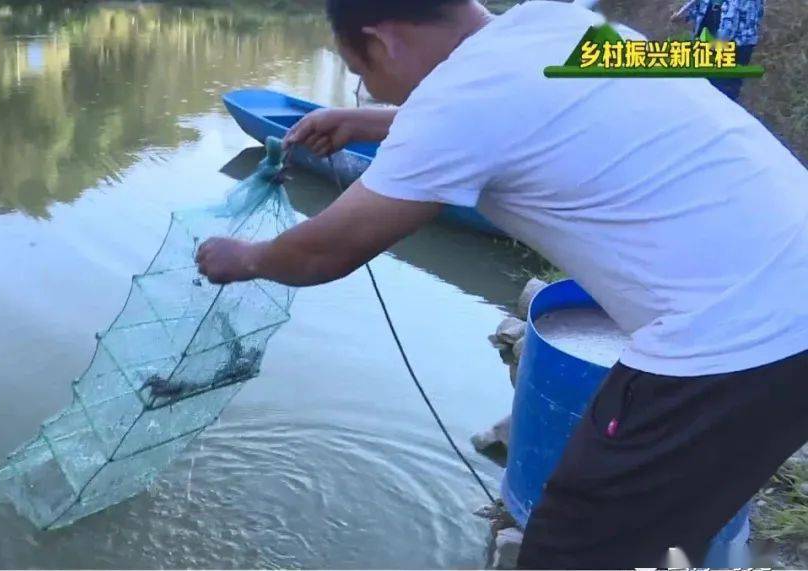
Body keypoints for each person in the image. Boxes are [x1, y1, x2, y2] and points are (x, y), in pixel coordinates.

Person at [196, 0, 808, 568]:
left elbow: (324, 251)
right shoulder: (556, 24)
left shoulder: (458, 104)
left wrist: (243, 258)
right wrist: (367, 119)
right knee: (663, 516)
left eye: (361, 73)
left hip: (738, 338)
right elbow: (515, 105)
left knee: (573, 546)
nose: (369, 88)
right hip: (789, 284)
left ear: (383, 41)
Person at [672, 0, 766, 101]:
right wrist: (685, 16)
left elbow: (731, 22)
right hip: (709, 40)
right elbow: (704, 5)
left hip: (736, 45)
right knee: (699, 90)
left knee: (721, 94)